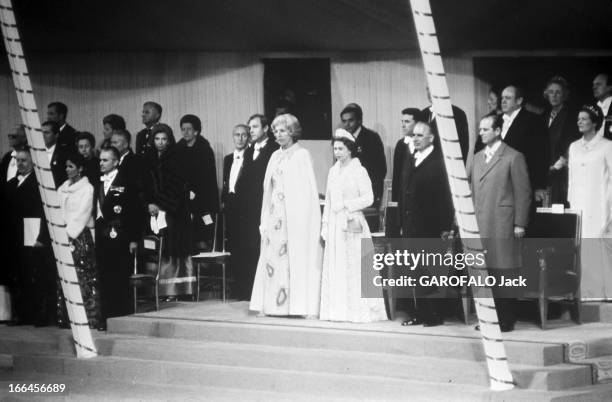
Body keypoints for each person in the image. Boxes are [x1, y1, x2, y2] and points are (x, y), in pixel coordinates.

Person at [249, 114, 322, 316]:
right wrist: (265, 218)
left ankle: (295, 306)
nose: (279, 135)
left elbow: (307, 191)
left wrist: (301, 218)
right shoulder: (274, 156)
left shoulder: (302, 155)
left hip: (294, 218)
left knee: (292, 260)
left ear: (292, 131)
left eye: (283, 130)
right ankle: (274, 306)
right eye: (276, 131)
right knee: (274, 260)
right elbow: (268, 189)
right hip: (275, 216)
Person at [469, 115, 531, 332]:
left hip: (502, 223)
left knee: (503, 272)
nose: (481, 133)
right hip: (479, 223)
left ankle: (505, 320)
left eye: (486, 129)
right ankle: (487, 319)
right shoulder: (477, 158)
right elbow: (470, 191)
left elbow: (523, 193)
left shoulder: (513, 157)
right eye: (480, 129)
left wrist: (520, 223)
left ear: (497, 130)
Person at [320, 129, 387, 322]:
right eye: (335, 149)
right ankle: (338, 310)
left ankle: (358, 311)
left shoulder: (359, 170)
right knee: (338, 265)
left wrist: (348, 206)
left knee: (356, 266)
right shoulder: (333, 171)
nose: (338, 152)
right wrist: (325, 225)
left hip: (353, 221)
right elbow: (330, 201)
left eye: (341, 148)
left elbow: (368, 198)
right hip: (334, 223)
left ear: (350, 149)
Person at [398, 122, 454, 327]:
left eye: (420, 135)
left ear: (431, 138)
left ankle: (434, 315)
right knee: (415, 272)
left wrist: (445, 227)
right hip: (411, 227)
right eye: (414, 135)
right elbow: (403, 193)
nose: (416, 138)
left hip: (431, 227)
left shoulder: (439, 162)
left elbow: (446, 197)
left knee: (431, 271)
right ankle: (420, 314)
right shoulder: (411, 158)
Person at [5, 147, 56, 326]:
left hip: (33, 232)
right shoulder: (11, 183)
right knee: (18, 274)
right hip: (14, 236)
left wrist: (42, 237)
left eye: (24, 160)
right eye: (18, 160)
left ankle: (40, 314)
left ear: (33, 162)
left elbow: (45, 212)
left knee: (36, 274)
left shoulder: (39, 183)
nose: (20, 163)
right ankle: (22, 314)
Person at [567, 105, 612, 300]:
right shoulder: (573, 146)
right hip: (578, 204)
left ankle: (601, 293)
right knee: (581, 246)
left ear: (595, 122)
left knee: (596, 246)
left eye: (584, 119)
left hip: (599, 204)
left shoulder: (607, 146)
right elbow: (570, 178)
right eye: (578, 118)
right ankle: (582, 293)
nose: (580, 122)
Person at [145, 124, 194, 298]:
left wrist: (160, 203)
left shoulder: (177, 157)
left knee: (173, 247)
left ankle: (175, 290)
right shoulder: (148, 157)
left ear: (169, 139)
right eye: (157, 139)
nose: (160, 142)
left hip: (174, 210)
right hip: (152, 210)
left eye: (164, 139)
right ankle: (156, 289)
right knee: (156, 245)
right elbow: (144, 184)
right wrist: (150, 203)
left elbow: (178, 185)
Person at [233, 114, 279, 300]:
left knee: (261, 249)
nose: (251, 130)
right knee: (247, 250)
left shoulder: (274, 149)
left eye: (255, 127)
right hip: (247, 210)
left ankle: (263, 292)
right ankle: (246, 291)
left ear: (266, 128)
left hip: (265, 206)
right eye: (250, 127)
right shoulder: (250, 149)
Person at [96, 147, 141, 329]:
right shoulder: (97, 181)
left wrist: (134, 239)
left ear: (115, 162)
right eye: (100, 160)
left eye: (105, 160)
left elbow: (135, 212)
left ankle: (120, 316)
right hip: (102, 237)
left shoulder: (126, 181)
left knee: (120, 277)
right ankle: (105, 316)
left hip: (121, 236)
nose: (101, 163)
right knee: (104, 277)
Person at [57, 152, 99, 329]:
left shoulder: (87, 188)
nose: (67, 170)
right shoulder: (62, 188)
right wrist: (59, 232)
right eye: (66, 166)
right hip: (62, 236)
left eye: (71, 166)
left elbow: (84, 213)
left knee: (83, 276)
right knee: (64, 276)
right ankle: (66, 318)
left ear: (80, 168)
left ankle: (88, 317)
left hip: (78, 236)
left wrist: (69, 233)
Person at [175, 114, 219, 252]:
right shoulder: (178, 148)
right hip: (184, 196)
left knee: (203, 235)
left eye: (189, 129)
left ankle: (207, 269)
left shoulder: (204, 149)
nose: (185, 132)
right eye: (183, 129)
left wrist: (195, 192)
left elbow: (207, 177)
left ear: (196, 131)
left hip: (203, 199)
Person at [498, 85, 548, 204]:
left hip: (524, 183)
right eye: (502, 98)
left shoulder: (535, 121)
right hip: (497, 184)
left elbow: (542, 155)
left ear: (519, 101)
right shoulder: (494, 121)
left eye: (508, 98)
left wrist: (539, 185)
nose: (503, 101)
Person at [340, 103, 386, 210]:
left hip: (367, 195)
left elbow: (380, 170)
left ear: (359, 120)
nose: (347, 124)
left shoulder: (372, 138)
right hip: (348, 197)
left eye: (351, 120)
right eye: (344, 121)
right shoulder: (341, 139)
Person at [542, 76, 580, 206]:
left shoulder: (571, 116)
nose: (554, 96)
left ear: (564, 95)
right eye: (551, 92)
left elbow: (574, 143)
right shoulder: (543, 115)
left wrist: (558, 165)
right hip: (545, 170)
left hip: (562, 171)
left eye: (558, 92)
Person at [421, 86, 470, 164]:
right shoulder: (423, 113)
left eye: (433, 88)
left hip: (447, 169)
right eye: (427, 89)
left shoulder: (458, 114)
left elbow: (463, 146)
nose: (429, 93)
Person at [222, 124, 249, 252]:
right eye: (237, 135)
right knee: (231, 239)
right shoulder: (227, 159)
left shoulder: (251, 157)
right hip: (230, 204)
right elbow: (225, 182)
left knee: (244, 240)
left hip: (244, 205)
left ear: (249, 137)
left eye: (244, 135)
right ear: (233, 137)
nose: (240, 138)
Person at [391, 108, 420, 203]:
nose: (403, 125)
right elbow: (396, 177)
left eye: (407, 122)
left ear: (417, 124)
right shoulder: (400, 144)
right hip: (402, 199)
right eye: (402, 121)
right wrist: (395, 203)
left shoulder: (425, 145)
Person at [41, 120, 69, 188]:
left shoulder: (65, 153)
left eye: (46, 133)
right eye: (41, 133)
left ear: (56, 135)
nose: (43, 136)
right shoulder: (35, 152)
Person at [592, 73, 612, 139]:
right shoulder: (591, 109)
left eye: (598, 84)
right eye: (594, 85)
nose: (594, 87)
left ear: (609, 87)